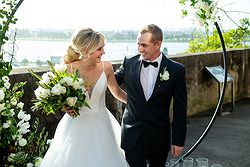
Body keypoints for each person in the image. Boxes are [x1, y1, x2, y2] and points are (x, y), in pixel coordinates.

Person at [40, 28, 129, 167]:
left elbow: (116, 91)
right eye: (100, 49)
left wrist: (137, 104)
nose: (103, 52)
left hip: (102, 126)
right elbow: (59, 97)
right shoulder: (67, 70)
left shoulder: (106, 67)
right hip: (75, 126)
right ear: (86, 50)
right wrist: (65, 106)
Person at [115, 24, 187, 167]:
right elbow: (110, 82)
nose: (140, 49)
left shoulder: (176, 70)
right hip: (132, 134)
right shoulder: (129, 62)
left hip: (159, 137)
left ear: (158, 44)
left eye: (144, 45)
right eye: (138, 44)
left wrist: (178, 140)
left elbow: (180, 108)